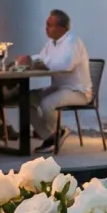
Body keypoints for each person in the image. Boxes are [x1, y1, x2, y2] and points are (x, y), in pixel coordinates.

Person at [29, 9, 91, 151]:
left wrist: (44, 63)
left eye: (50, 25)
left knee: (47, 103)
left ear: (63, 28)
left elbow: (66, 64)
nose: (46, 28)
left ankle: (53, 137)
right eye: (46, 25)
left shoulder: (72, 41)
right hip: (58, 88)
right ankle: (50, 136)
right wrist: (28, 60)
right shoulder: (51, 43)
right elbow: (41, 57)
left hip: (77, 91)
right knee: (27, 99)